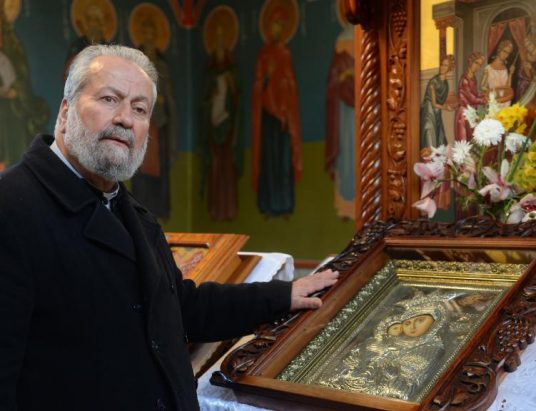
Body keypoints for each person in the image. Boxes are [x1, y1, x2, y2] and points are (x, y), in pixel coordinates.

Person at [0, 44, 339, 411]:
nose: (125, 119)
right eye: (110, 99)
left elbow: (181, 308)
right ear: (66, 111)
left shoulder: (130, 212)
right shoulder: (12, 208)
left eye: (140, 108)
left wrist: (282, 295)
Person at [251, 6, 301, 217]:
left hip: (284, 119)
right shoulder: (263, 55)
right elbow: (257, 87)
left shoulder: (285, 54)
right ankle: (268, 206)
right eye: (274, 24)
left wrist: (285, 108)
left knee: (283, 161)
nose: (276, 29)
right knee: (269, 162)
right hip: (267, 118)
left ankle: (285, 205)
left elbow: (291, 86)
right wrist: (267, 77)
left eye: (280, 25)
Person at [420, 54, 456, 148]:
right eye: (442, 64)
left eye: (445, 65)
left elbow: (442, 101)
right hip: (429, 112)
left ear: (449, 68)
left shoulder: (446, 84)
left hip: (436, 111)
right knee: (430, 134)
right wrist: (446, 107)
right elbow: (434, 103)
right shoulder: (433, 81)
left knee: (439, 136)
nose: (442, 67)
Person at [455, 52, 488, 142]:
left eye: (480, 65)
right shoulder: (465, 80)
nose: (477, 67)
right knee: (464, 141)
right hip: (464, 114)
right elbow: (472, 98)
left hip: (471, 113)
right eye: (476, 63)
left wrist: (483, 95)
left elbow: (475, 94)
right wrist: (484, 100)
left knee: (472, 140)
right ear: (470, 62)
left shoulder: (473, 78)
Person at [481, 39, 515, 108]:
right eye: (504, 51)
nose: (505, 55)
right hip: (494, 102)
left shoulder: (505, 69)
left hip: (505, 102)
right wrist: (492, 92)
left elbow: (507, 88)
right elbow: (482, 86)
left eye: (508, 53)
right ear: (499, 50)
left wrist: (511, 74)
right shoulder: (488, 68)